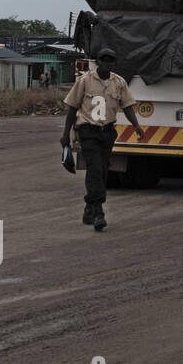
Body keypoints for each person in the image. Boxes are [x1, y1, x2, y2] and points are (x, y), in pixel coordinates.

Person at [60, 49, 146, 231]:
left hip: (107, 133)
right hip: (88, 131)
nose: (107, 64)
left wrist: (136, 125)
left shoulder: (119, 82)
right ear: (97, 62)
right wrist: (65, 135)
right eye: (104, 61)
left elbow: (128, 106)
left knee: (103, 170)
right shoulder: (85, 81)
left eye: (111, 61)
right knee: (95, 169)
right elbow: (72, 108)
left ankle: (89, 207)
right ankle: (98, 211)